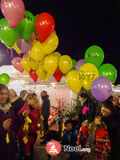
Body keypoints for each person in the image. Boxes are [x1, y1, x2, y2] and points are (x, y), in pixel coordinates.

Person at [17, 93, 40, 160]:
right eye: (34, 99)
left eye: (36, 99)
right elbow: (20, 118)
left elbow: (37, 119)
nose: (36, 100)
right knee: (27, 153)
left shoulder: (34, 108)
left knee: (29, 151)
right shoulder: (25, 108)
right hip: (26, 135)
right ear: (28, 100)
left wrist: (38, 110)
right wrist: (23, 115)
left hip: (32, 134)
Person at [0, 84, 16, 160]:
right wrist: (2, 127)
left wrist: (23, 116)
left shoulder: (10, 107)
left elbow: (14, 123)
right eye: (1, 94)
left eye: (6, 94)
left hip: (9, 142)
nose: (4, 96)